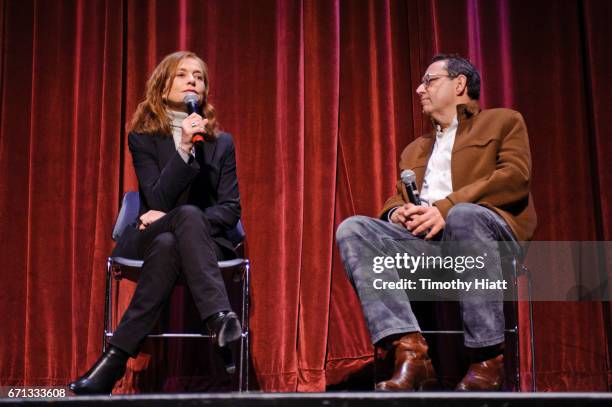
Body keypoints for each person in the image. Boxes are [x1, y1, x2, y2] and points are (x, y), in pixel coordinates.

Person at [336, 54, 537, 391]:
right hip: (429, 246)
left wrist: (445, 208)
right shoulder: (415, 149)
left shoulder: (503, 122)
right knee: (353, 229)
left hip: (487, 240)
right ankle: (412, 354)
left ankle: (488, 360)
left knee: (464, 215)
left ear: (459, 84)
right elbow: (397, 196)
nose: (419, 89)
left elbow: (515, 178)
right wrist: (395, 213)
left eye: (429, 80)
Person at [69, 51, 242, 395]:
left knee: (174, 238)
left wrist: (182, 219)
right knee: (171, 231)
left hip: (201, 243)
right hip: (149, 234)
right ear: (163, 89)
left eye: (199, 76)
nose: (193, 80)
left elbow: (230, 209)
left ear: (204, 91)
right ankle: (220, 317)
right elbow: (157, 199)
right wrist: (182, 148)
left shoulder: (221, 143)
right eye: (182, 75)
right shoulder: (143, 137)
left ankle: (112, 363)